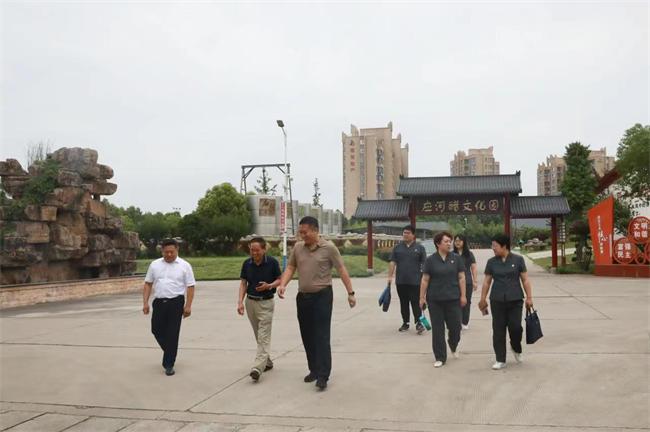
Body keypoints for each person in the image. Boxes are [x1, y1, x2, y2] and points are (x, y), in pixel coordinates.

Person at [278, 216, 356, 391]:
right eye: (300, 232)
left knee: (321, 336)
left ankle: (323, 375)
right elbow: (291, 267)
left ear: (315, 230)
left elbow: (341, 269)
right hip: (303, 297)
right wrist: (283, 284)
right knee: (307, 335)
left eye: (305, 232)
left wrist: (350, 293)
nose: (302, 235)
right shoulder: (298, 248)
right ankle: (313, 369)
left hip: (322, 296)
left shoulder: (329, 248)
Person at [478, 233, 534, 370]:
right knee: (498, 330)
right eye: (492, 245)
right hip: (497, 300)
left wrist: (529, 297)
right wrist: (482, 298)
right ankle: (500, 359)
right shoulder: (491, 262)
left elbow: (525, 280)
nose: (493, 248)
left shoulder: (518, 260)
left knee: (516, 328)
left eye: (495, 245)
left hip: (515, 299)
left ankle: (516, 347)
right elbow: (487, 282)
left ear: (504, 246)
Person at [142, 238, 195, 376]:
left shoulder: (185, 266)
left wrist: (188, 306)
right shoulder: (155, 265)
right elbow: (148, 284)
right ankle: (170, 351)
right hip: (159, 302)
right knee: (156, 330)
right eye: (166, 252)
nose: (169, 255)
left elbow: (190, 286)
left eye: (172, 252)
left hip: (176, 303)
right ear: (162, 251)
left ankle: (169, 364)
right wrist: (145, 302)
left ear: (177, 250)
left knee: (172, 333)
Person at [237, 237, 282, 382]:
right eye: (252, 250)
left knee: (263, 336)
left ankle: (257, 368)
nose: (254, 253)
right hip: (250, 303)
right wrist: (240, 302)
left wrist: (269, 286)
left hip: (266, 303)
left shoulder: (272, 263)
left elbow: (280, 280)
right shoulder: (247, 263)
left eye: (257, 250)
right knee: (258, 334)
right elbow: (243, 283)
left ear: (264, 249)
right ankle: (267, 362)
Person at [419, 231, 466, 368]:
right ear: (438, 244)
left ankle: (453, 343)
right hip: (435, 300)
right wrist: (421, 297)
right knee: (438, 329)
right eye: (446, 241)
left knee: (456, 327)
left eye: (450, 241)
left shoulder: (456, 258)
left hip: (453, 299)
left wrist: (463, 295)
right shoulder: (430, 260)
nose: (449, 244)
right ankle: (440, 357)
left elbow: (462, 277)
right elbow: (425, 279)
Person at [387, 225, 427, 334]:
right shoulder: (397, 248)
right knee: (403, 302)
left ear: (413, 235)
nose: (405, 234)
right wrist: (390, 276)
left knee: (416, 302)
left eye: (408, 233)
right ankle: (405, 323)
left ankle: (419, 323)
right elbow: (392, 262)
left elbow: (424, 263)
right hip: (401, 281)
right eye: (404, 232)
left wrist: (424, 278)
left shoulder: (420, 248)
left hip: (416, 281)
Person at [453, 234, 478, 330]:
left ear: (464, 242)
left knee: (466, 302)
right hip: (454, 282)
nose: (457, 242)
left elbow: (474, 268)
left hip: (467, 282)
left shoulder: (469, 254)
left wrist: (475, 281)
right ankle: (456, 321)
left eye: (459, 240)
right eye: (456, 241)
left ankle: (465, 321)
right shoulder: (451, 254)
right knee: (455, 302)